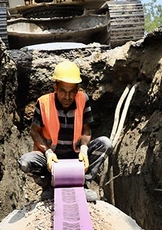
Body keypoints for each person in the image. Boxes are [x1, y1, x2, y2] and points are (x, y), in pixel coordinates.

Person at [17, 60, 112, 202]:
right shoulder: (43, 103)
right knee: (25, 162)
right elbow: (34, 131)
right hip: (52, 158)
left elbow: (86, 129)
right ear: (55, 87)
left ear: (77, 89)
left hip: (75, 156)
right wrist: (48, 153)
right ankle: (49, 186)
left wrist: (84, 150)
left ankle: (82, 184)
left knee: (105, 143)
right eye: (63, 91)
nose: (67, 97)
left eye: (71, 92)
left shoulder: (83, 99)